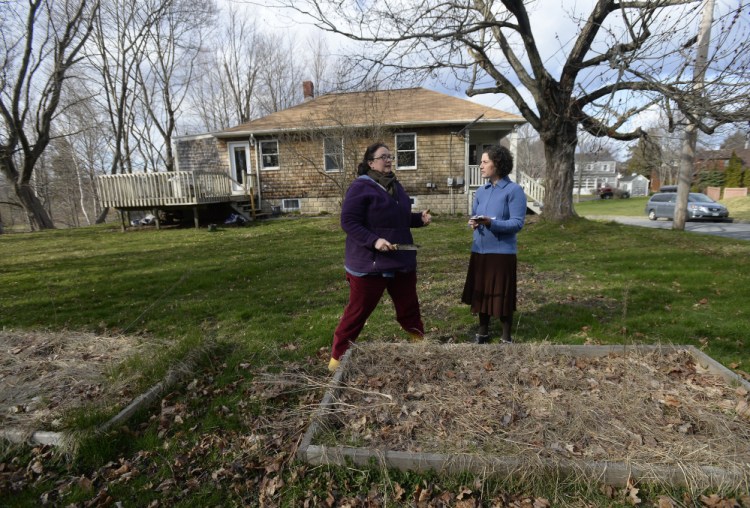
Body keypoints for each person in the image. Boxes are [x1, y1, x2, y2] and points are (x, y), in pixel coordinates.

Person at [328, 142, 432, 371]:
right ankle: (336, 362)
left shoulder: (396, 186)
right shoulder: (360, 187)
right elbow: (349, 221)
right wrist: (374, 241)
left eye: (390, 156)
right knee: (357, 313)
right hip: (369, 265)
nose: (388, 160)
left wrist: (418, 220)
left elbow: (399, 218)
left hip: (401, 260)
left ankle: (421, 347)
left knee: (409, 308)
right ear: (370, 162)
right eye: (383, 156)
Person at [461, 145, 526, 344]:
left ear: (497, 164)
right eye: (481, 161)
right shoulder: (480, 191)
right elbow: (475, 214)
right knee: (482, 293)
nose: (480, 165)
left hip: (501, 253)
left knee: (502, 295)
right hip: (480, 251)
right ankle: (483, 333)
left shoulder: (513, 191)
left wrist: (492, 223)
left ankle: (506, 337)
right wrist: (474, 222)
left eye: (485, 161)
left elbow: (517, 223)